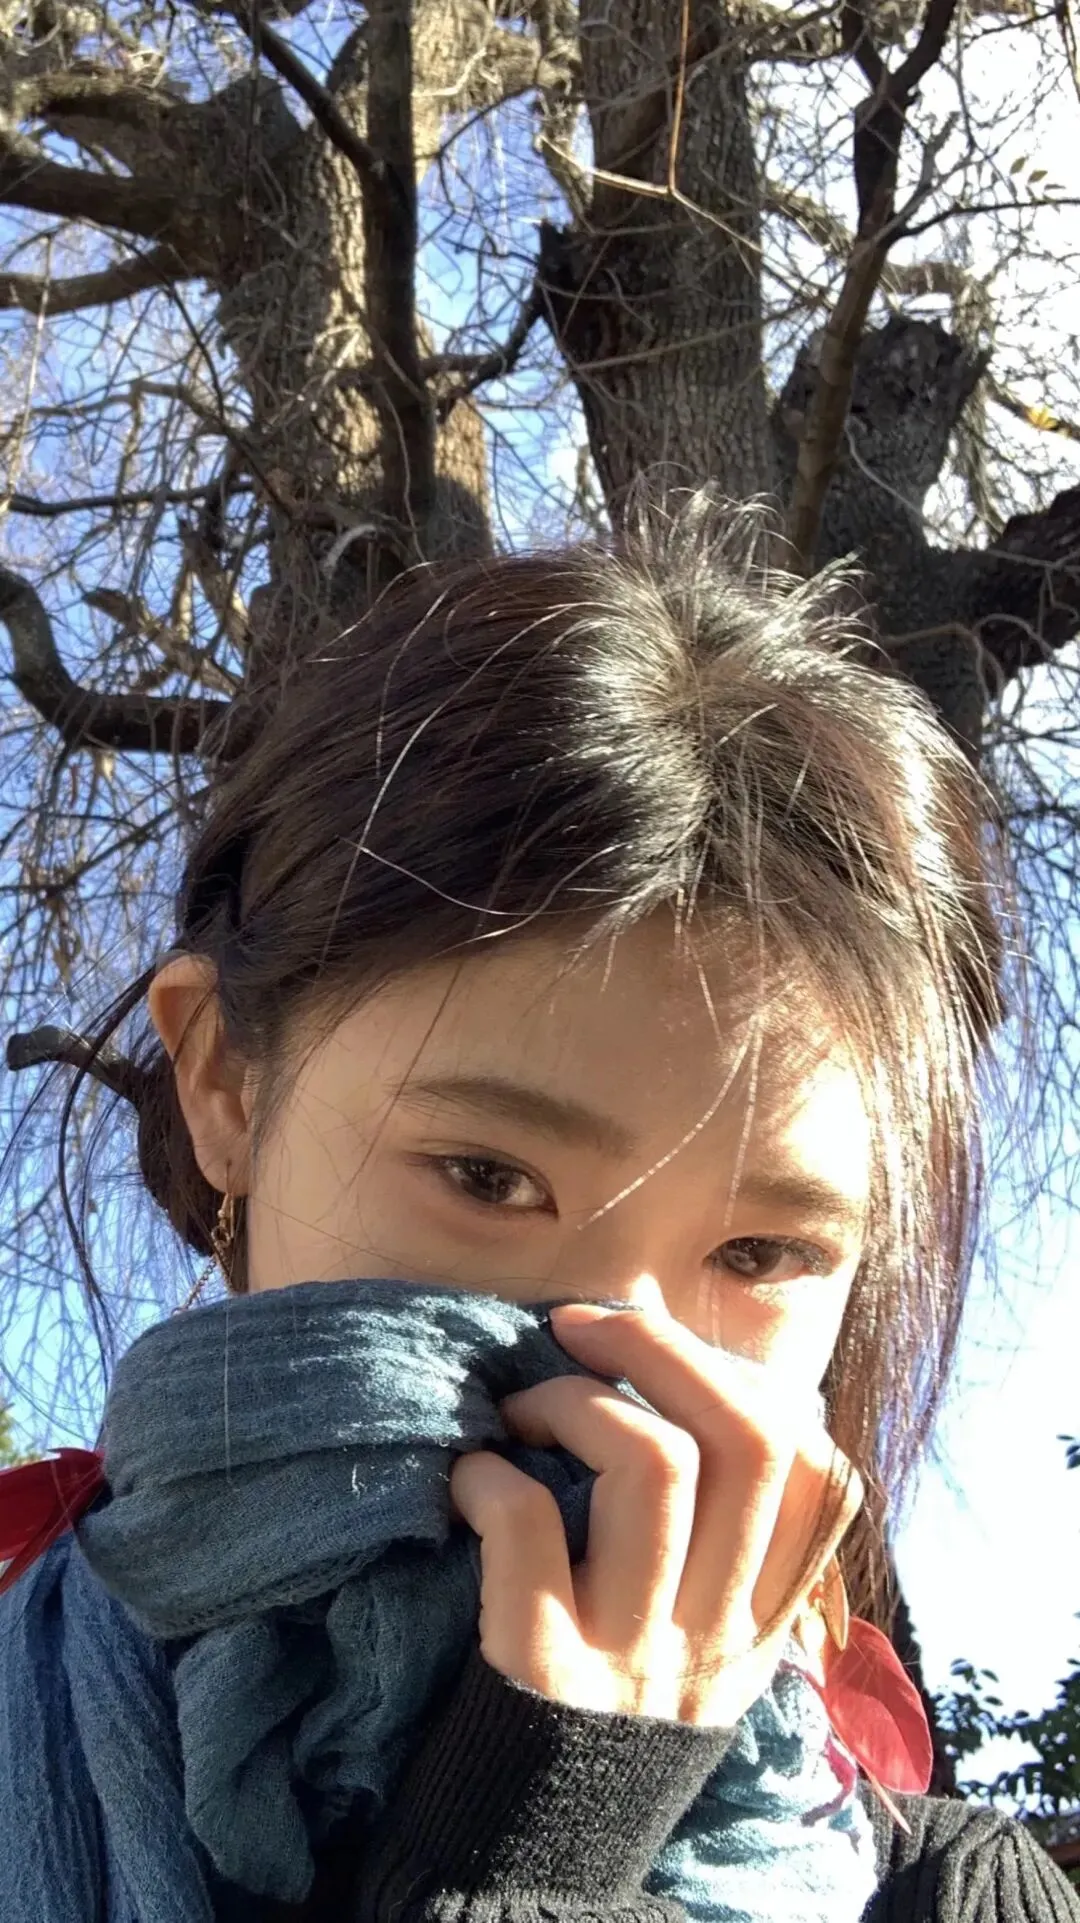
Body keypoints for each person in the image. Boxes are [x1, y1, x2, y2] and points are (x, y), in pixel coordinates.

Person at [1, 495, 1076, 1923]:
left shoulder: (950, 1892)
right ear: (225, 1087)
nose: (614, 1386)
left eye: (760, 1252)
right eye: (490, 1177)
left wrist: (547, 1831)